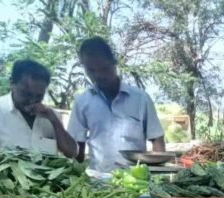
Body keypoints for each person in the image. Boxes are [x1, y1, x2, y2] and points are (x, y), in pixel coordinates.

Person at [68, 37, 165, 171]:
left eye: (104, 69)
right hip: (97, 183)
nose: (98, 75)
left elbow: (157, 139)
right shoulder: (82, 102)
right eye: (91, 70)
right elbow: (77, 148)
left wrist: (157, 176)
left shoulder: (141, 99)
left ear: (114, 63)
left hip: (135, 182)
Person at [0, 60, 77, 160]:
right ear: (12, 83)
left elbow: (72, 152)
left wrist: (54, 121)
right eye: (26, 94)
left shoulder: (52, 115)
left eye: (39, 96)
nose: (32, 100)